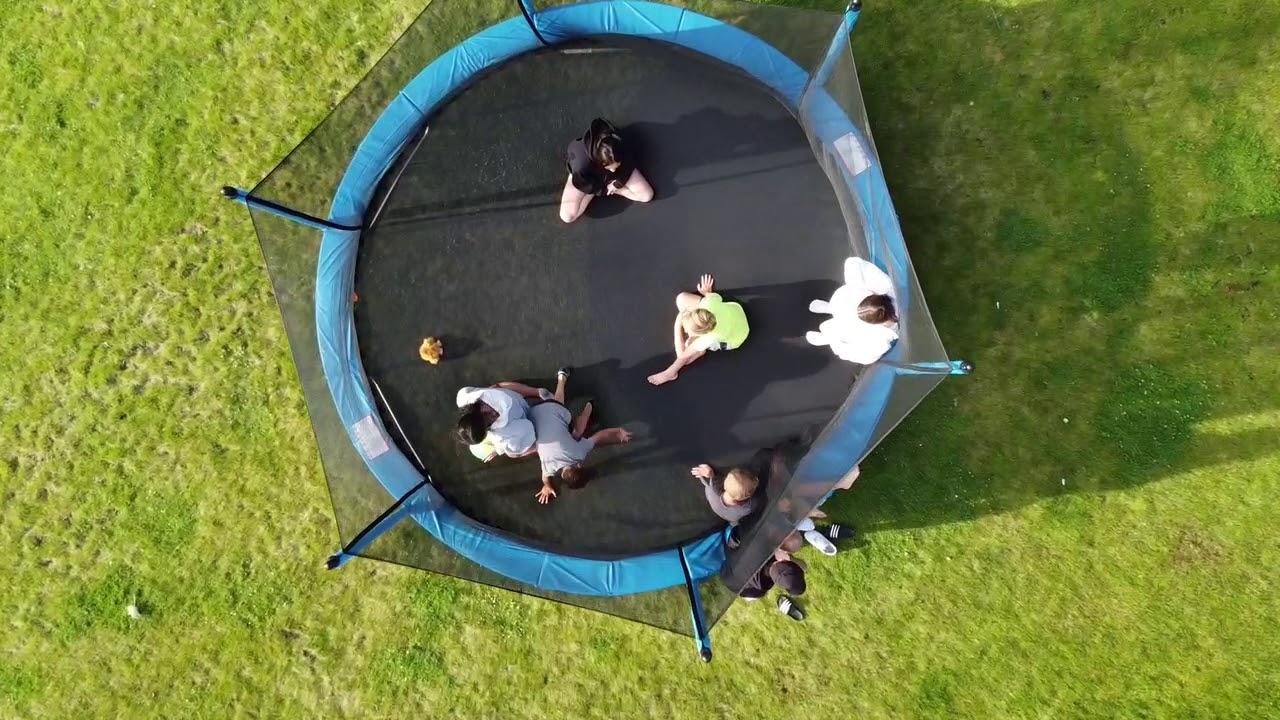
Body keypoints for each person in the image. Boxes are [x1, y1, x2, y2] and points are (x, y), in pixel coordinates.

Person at [488, 369, 634, 504]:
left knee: (575, 430)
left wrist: (618, 432)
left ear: (580, 465)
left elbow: (598, 437)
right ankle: (563, 385)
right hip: (531, 417)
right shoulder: (549, 467)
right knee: (572, 432)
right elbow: (545, 478)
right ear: (562, 474)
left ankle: (577, 395)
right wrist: (546, 486)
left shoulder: (578, 454)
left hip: (544, 412)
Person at [648, 274, 749, 386]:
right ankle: (694, 340)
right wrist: (707, 292)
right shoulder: (709, 303)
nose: (685, 331)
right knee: (681, 298)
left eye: (687, 330)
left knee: (685, 352)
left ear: (701, 334)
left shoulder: (710, 337)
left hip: (735, 338)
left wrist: (677, 326)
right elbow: (712, 297)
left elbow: (683, 356)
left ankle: (700, 351)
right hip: (735, 313)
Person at [806, 256, 899, 364]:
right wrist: (855, 283)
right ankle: (830, 308)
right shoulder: (884, 287)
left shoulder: (880, 338)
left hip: (862, 329)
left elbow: (862, 356)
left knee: (825, 327)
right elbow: (853, 263)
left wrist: (834, 342)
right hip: (858, 303)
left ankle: (826, 338)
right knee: (844, 303)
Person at [560, 117, 654, 223]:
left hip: (609, 178)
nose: (614, 171)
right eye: (610, 167)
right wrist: (600, 190)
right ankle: (591, 193)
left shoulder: (619, 143)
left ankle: (613, 189)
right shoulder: (581, 163)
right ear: (601, 162)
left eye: (617, 166)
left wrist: (617, 184)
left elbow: (629, 163)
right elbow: (582, 183)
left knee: (646, 196)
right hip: (587, 178)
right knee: (567, 217)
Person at [454, 385, 539, 461]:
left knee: (513, 453)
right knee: (496, 386)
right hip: (511, 395)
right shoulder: (464, 396)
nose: (494, 414)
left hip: (525, 407)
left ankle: (537, 392)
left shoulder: (504, 433)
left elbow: (529, 429)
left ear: (474, 410)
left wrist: (501, 449)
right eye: (489, 424)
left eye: (485, 414)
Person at [739, 535, 808, 621]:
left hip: (739, 564)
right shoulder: (761, 587)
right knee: (795, 543)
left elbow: (803, 566)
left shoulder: (766, 551)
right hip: (740, 583)